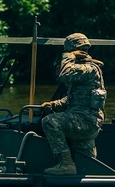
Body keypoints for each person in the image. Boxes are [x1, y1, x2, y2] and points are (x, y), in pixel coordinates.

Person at [40, 33, 106, 175]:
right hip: (87, 121)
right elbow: (74, 98)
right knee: (87, 165)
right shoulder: (85, 70)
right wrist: (54, 104)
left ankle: (66, 164)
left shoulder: (88, 69)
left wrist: (68, 57)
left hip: (84, 121)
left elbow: (64, 74)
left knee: (50, 122)